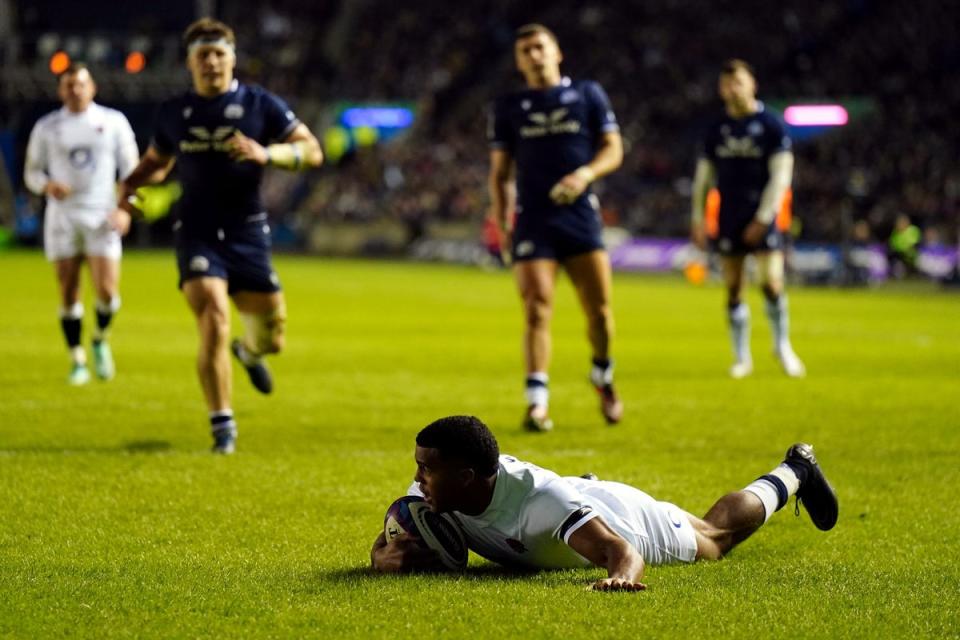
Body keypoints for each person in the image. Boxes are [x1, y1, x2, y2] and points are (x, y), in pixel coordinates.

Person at [109, 18, 323, 453]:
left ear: (232, 58)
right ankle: (222, 424)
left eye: (218, 53)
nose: (211, 62)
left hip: (248, 231)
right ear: (190, 63)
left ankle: (250, 353)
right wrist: (128, 185)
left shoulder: (260, 104)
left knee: (273, 337)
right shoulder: (173, 111)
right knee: (213, 316)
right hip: (197, 231)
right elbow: (157, 162)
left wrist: (267, 152)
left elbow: (313, 150)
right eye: (202, 55)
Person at [370, 416, 838, 591]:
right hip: (577, 495)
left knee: (715, 537)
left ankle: (795, 472)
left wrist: (620, 579)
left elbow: (623, 552)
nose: (417, 478)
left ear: (466, 476)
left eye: (426, 468)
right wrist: (386, 557)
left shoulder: (541, 503)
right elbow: (392, 541)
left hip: (627, 520)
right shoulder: (433, 495)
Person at [488, 24, 625, 432]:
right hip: (533, 219)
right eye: (525, 50)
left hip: (580, 216)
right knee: (536, 307)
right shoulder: (508, 106)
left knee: (599, 313)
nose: (534, 55)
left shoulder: (587, 94)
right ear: (518, 61)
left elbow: (614, 149)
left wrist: (584, 175)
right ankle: (537, 403)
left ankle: (602, 374)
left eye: (540, 47)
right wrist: (502, 221)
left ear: (557, 51)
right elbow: (500, 174)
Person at [24, 64, 139, 385]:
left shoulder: (113, 122)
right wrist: (47, 186)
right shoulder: (47, 127)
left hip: (102, 214)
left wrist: (125, 209)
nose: (75, 90)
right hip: (62, 216)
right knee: (68, 291)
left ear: (93, 87)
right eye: (69, 85)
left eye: (81, 84)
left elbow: (132, 170)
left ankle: (100, 338)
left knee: (107, 292)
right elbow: (32, 173)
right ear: (61, 90)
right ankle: (77, 359)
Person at [690, 59, 805, 379]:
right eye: (727, 83)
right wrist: (698, 219)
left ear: (752, 84)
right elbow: (703, 179)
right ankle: (742, 357)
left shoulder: (771, 125)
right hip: (729, 215)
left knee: (770, 283)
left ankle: (782, 346)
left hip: (763, 214)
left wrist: (764, 216)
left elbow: (781, 176)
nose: (732, 89)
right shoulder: (716, 129)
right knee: (734, 287)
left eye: (738, 82)